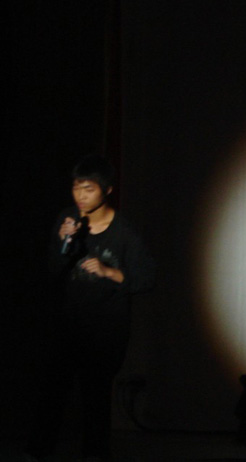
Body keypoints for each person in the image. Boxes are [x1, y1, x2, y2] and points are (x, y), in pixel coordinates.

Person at [26, 154, 155, 461]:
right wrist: (62, 243)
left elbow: (146, 279)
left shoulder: (124, 233)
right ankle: (39, 452)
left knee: (95, 395)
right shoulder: (68, 220)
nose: (80, 196)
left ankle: (95, 454)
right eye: (76, 188)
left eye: (88, 189)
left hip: (106, 328)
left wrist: (109, 272)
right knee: (53, 390)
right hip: (68, 323)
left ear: (107, 190)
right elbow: (52, 272)